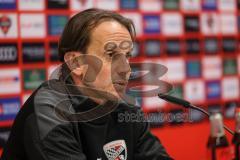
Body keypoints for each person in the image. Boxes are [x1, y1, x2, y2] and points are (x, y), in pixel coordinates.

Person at [1, 8, 173, 160]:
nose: (126, 69)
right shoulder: (50, 111)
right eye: (111, 55)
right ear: (76, 64)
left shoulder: (127, 108)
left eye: (127, 55)